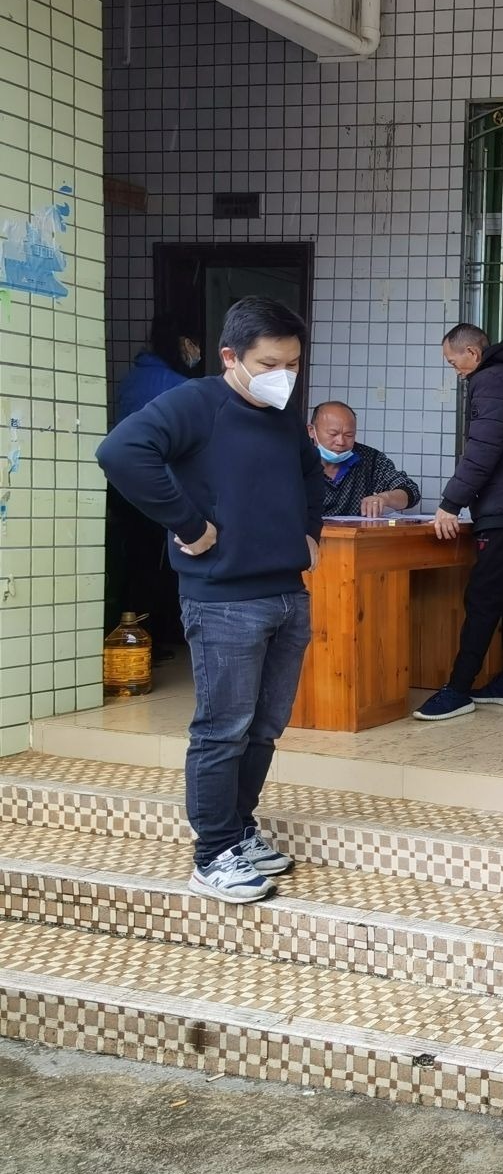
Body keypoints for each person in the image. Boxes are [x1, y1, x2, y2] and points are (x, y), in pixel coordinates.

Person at [96, 296, 325, 905]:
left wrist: (311, 533)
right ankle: (212, 854)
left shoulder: (282, 414)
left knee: (266, 727)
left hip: (287, 593)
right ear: (230, 357)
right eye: (270, 363)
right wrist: (188, 523)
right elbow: (120, 453)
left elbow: (310, 472)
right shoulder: (195, 403)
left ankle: (239, 831)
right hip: (223, 600)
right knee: (223, 729)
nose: (284, 375)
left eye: (293, 363)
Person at [413, 324, 503, 721]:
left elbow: (483, 447)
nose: (455, 370)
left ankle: (458, 689)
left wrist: (451, 503)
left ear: (473, 354)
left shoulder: (490, 381)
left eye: (453, 362)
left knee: (483, 598)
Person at [109, 312, 202, 650]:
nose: (197, 351)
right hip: (161, 488)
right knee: (162, 565)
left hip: (123, 487)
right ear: (182, 343)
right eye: (193, 343)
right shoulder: (177, 386)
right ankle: (156, 639)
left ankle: (132, 636)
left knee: (135, 561)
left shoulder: (132, 380)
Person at [309, 400, 422, 519]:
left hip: (355, 530)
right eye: (333, 434)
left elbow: (411, 491)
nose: (341, 442)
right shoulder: (298, 461)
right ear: (311, 431)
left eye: (349, 435)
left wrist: (384, 498)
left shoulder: (369, 459)